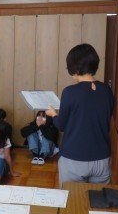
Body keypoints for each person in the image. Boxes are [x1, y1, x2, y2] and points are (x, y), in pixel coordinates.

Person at [45, 43, 114, 186]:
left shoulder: (70, 92)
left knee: (72, 199)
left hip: (74, 158)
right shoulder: (106, 90)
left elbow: (61, 125)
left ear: (75, 68)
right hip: (102, 158)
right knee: (97, 199)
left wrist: (53, 114)